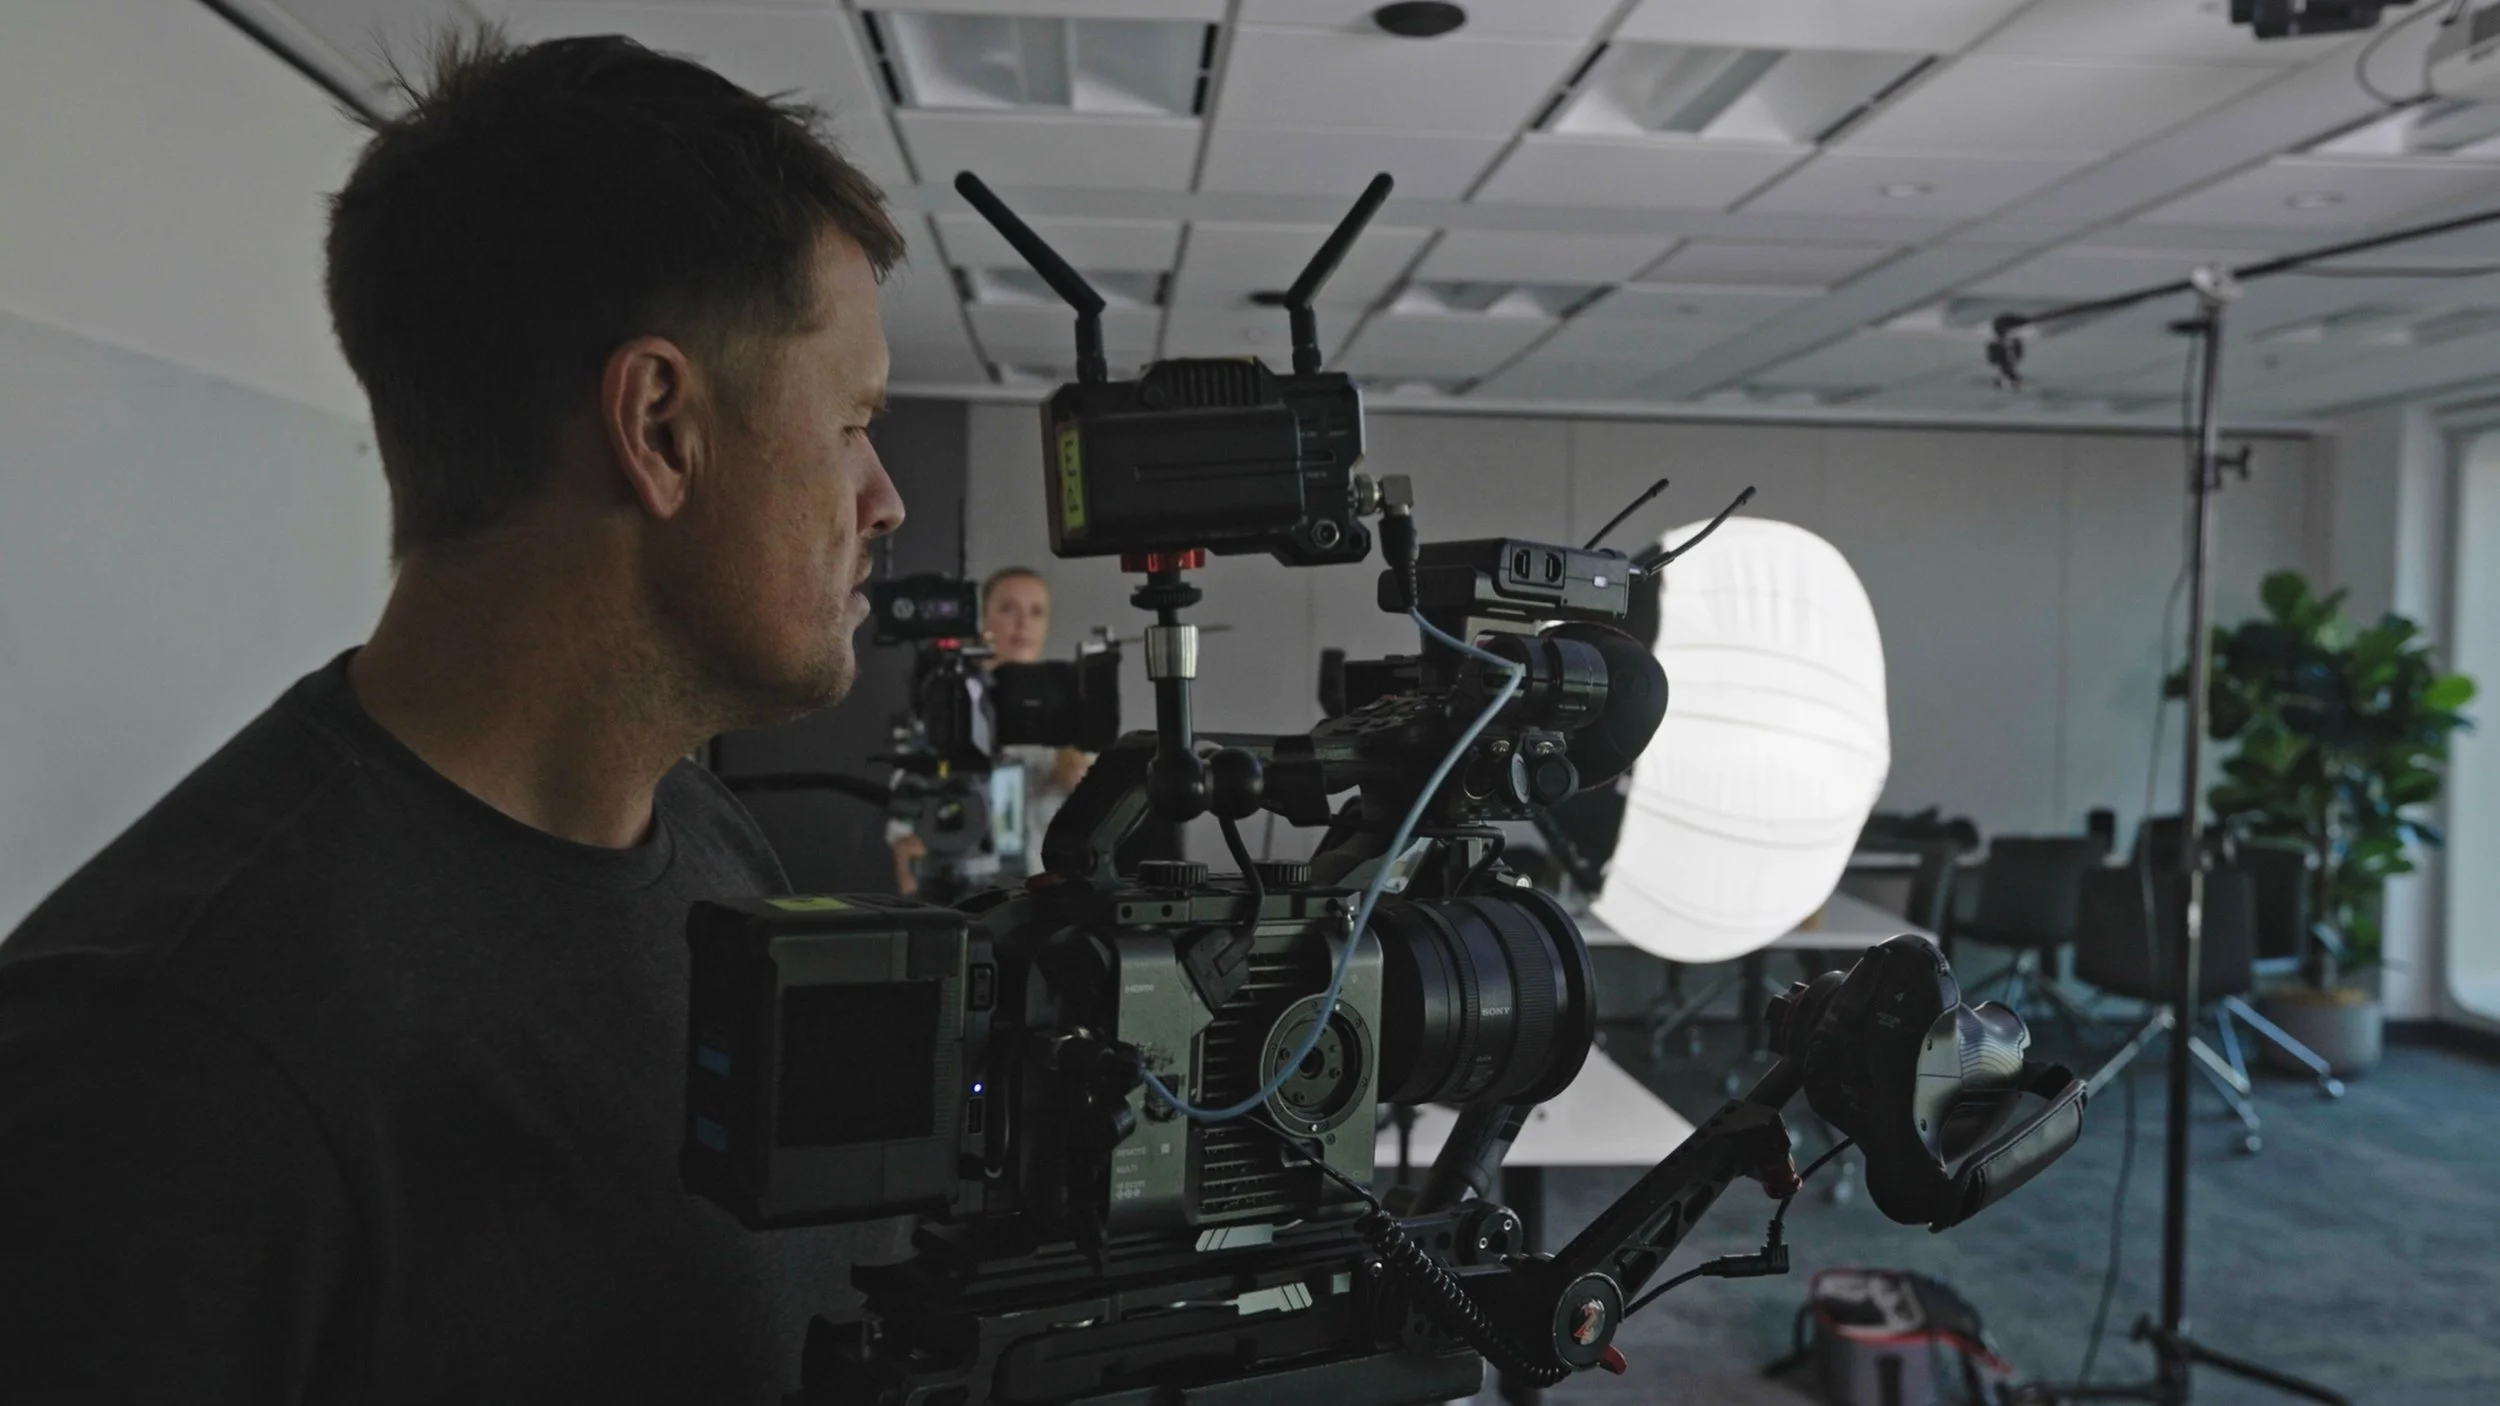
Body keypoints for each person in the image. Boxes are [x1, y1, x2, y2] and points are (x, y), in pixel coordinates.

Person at [0, 31, 907, 1404]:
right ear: (661, 426)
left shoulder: (703, 837)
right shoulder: (156, 1052)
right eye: (851, 423)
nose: (884, 497)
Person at [888, 566, 1090, 896]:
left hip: (1043, 898)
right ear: (983, 619)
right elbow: (907, 844)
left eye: (1036, 612)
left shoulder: (1068, 713)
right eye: (1008, 609)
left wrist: (1077, 775)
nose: (1022, 623)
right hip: (962, 894)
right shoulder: (947, 704)